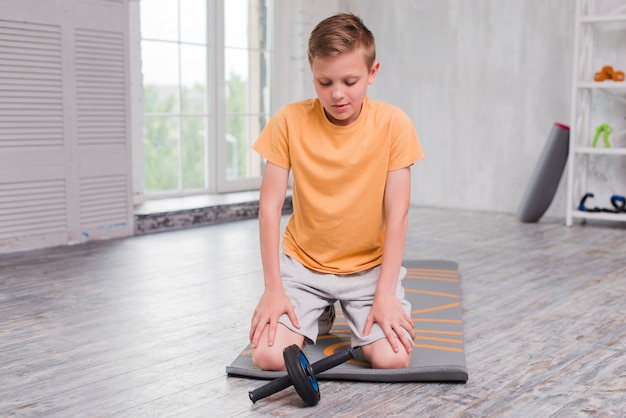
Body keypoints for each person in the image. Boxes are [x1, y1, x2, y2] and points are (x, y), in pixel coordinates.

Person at [248, 12, 423, 370]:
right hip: (304, 267)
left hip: (367, 270)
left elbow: (398, 213)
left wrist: (386, 294)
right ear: (312, 74)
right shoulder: (287, 121)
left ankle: (340, 308)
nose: (337, 93)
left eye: (350, 80)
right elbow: (268, 208)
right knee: (268, 357)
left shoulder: (395, 124)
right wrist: (273, 288)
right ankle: (320, 309)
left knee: (393, 359)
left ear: (372, 74)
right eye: (324, 82)